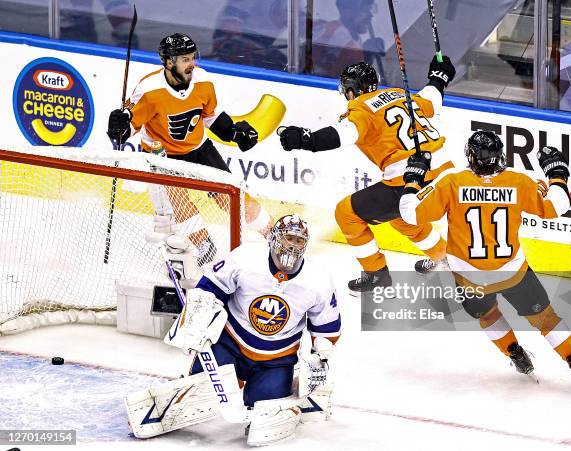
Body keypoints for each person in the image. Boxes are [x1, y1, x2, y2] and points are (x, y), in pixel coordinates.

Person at [398, 131, 571, 389]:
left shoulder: (451, 182)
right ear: (499, 155)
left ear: (470, 156)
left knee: (488, 314)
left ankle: (516, 355)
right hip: (514, 274)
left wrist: (414, 177)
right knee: (546, 319)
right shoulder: (518, 181)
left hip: (470, 280)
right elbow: (558, 205)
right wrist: (557, 173)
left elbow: (409, 214)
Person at [126, 214, 340, 445]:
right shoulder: (246, 258)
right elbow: (209, 288)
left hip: (276, 360)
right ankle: (176, 396)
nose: (292, 245)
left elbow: (326, 328)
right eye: (288, 237)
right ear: (274, 238)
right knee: (201, 391)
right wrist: (199, 317)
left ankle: (272, 391)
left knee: (265, 405)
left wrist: (320, 355)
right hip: (230, 346)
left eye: (298, 241)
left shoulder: (318, 280)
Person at [278, 56, 456, 294]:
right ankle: (446, 259)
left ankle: (376, 274)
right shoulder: (400, 94)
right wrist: (439, 76)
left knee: (347, 213)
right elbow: (432, 98)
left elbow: (341, 136)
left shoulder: (361, 109)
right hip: (446, 174)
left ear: (351, 91)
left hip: (411, 177)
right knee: (401, 218)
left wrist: (304, 140)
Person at [107, 33, 273, 265]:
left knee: (231, 194)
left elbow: (211, 116)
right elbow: (129, 129)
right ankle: (203, 242)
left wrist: (234, 133)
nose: (191, 64)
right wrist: (118, 128)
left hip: (198, 148)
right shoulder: (149, 89)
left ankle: (272, 231)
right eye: (185, 59)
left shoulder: (203, 81)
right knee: (178, 197)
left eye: (192, 57)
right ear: (168, 62)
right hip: (161, 154)